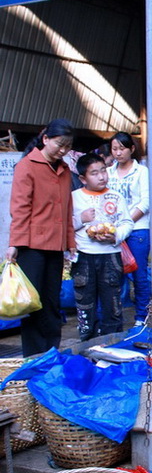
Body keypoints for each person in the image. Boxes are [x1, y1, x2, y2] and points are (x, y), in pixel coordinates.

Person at [5, 119, 76, 357]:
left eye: (67, 146)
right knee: (33, 303)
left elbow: (67, 208)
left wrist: (70, 243)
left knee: (51, 302)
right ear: (45, 139)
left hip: (55, 246)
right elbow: (20, 207)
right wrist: (14, 244)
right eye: (59, 144)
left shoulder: (64, 170)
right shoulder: (27, 166)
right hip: (31, 246)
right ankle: (33, 355)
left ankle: (51, 351)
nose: (63, 150)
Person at [71, 154, 134, 341]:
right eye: (94, 173)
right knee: (85, 301)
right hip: (84, 256)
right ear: (82, 178)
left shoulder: (115, 196)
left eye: (103, 171)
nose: (101, 177)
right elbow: (65, 225)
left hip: (110, 255)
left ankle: (113, 341)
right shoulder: (74, 198)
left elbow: (127, 223)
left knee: (112, 302)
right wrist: (80, 219)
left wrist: (115, 236)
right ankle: (87, 341)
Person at [107, 132, 151, 327]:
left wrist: (126, 223)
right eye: (114, 149)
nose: (118, 153)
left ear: (132, 149)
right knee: (114, 276)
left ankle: (141, 316)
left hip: (138, 230)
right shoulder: (108, 173)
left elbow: (146, 202)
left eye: (122, 148)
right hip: (113, 231)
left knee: (139, 274)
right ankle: (114, 317)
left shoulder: (142, 172)